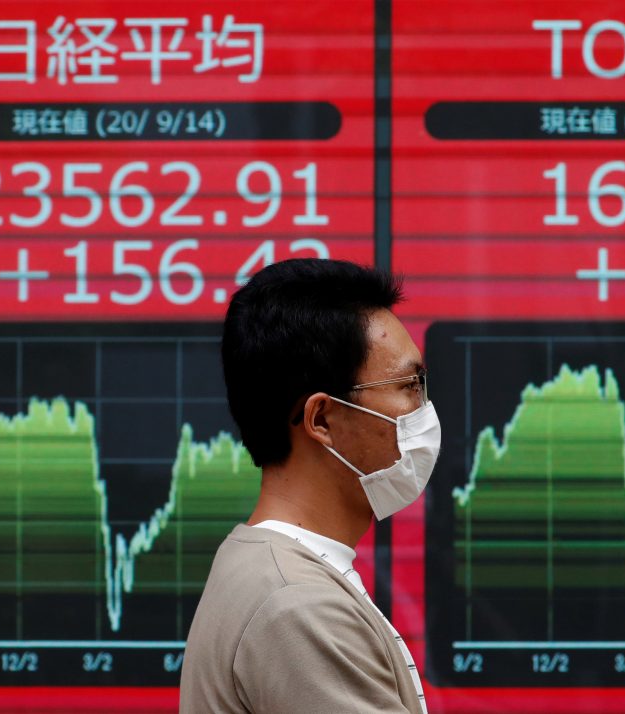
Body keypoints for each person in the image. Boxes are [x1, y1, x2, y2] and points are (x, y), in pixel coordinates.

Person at [180, 258, 439, 713]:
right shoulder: (299, 607)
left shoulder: (270, 570)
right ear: (322, 419)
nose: (424, 410)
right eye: (409, 385)